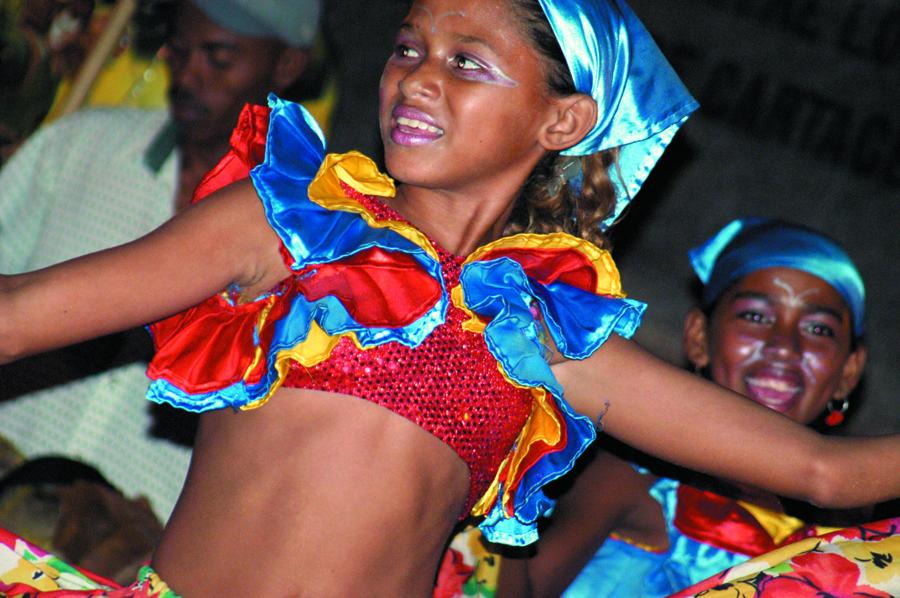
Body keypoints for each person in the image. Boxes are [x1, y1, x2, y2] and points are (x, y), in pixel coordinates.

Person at [1, 0, 899, 595]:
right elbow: (18, 317)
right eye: (407, 48)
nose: (417, 77)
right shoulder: (288, 223)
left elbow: (828, 474)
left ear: (563, 121)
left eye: (467, 62)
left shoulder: (550, 336)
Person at [0, 0, 320, 523]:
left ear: (286, 65)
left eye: (218, 57)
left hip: (141, 552)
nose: (188, 74)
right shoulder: (84, 145)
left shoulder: (310, 243)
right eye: (181, 49)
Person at [493, 217, 894, 598]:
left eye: (818, 329)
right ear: (699, 336)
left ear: (850, 370)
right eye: (755, 316)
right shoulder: (640, 479)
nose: (784, 346)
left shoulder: (870, 529)